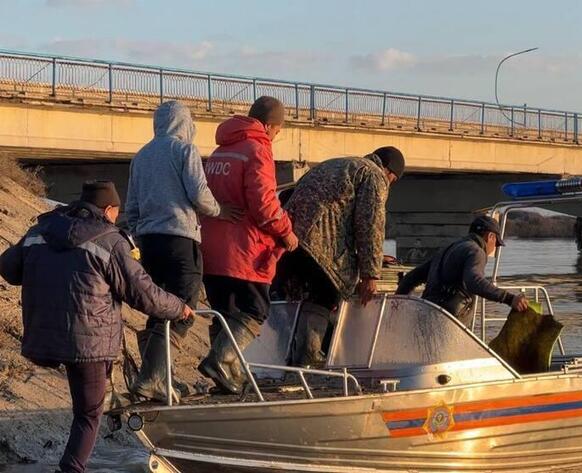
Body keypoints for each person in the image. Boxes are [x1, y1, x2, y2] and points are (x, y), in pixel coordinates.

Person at [0, 181, 193, 473]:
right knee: (89, 414)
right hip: (89, 343)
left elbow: (9, 269)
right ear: (109, 209)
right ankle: (71, 469)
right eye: (116, 212)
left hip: (44, 335)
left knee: (85, 407)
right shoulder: (110, 240)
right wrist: (179, 308)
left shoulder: (40, 231)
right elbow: (144, 294)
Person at [125, 100, 242, 402]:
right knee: (183, 310)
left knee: (159, 307)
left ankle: (157, 378)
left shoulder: (141, 156)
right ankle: (152, 379)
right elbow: (199, 194)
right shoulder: (184, 151)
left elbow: (132, 206)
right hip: (180, 240)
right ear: (186, 124)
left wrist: (140, 233)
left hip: (149, 242)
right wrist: (219, 211)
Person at [198, 96, 298, 394]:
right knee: (255, 309)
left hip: (212, 249)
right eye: (277, 130)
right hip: (245, 251)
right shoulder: (257, 149)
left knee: (225, 313)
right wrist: (287, 231)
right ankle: (221, 361)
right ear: (268, 125)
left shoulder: (221, 150)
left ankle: (229, 378)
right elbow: (264, 205)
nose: (276, 136)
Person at [274, 146, 405, 367]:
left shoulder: (336, 165)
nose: (390, 185)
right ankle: (308, 358)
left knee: (296, 298)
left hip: (291, 242)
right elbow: (370, 224)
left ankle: (287, 361)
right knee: (326, 294)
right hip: (320, 246)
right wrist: (370, 274)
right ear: (389, 171)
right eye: (393, 180)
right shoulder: (373, 175)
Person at [396, 215, 528, 328]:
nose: (494, 248)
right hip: (449, 323)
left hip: (426, 315)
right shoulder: (476, 251)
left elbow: (411, 277)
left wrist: (396, 308)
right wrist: (509, 298)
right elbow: (474, 281)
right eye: (496, 244)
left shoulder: (448, 249)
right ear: (490, 236)